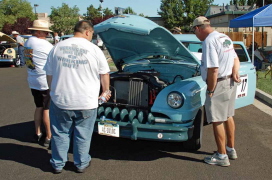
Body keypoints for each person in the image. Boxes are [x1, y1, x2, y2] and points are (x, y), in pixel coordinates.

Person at [44, 20, 111, 174]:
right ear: (87, 31)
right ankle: (81, 163)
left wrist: (52, 90)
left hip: (61, 100)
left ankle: (57, 164)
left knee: (60, 133)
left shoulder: (57, 48)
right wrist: (105, 91)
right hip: (86, 101)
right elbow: (104, 73)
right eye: (92, 34)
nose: (91, 37)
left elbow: (49, 74)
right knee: (83, 134)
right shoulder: (94, 50)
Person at [192, 16, 241, 167]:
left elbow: (213, 69)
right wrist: (235, 72)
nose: (196, 35)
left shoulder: (209, 41)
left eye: (194, 32)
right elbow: (235, 58)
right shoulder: (224, 37)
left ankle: (221, 156)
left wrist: (211, 90)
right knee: (228, 116)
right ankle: (230, 149)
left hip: (218, 83)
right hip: (229, 82)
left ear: (198, 28)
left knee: (216, 120)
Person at [24, 20, 53, 147]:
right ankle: (49, 136)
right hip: (43, 81)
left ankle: (38, 132)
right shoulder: (44, 45)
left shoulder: (28, 42)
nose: (47, 34)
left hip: (33, 79)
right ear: (39, 31)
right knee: (47, 109)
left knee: (38, 106)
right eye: (46, 32)